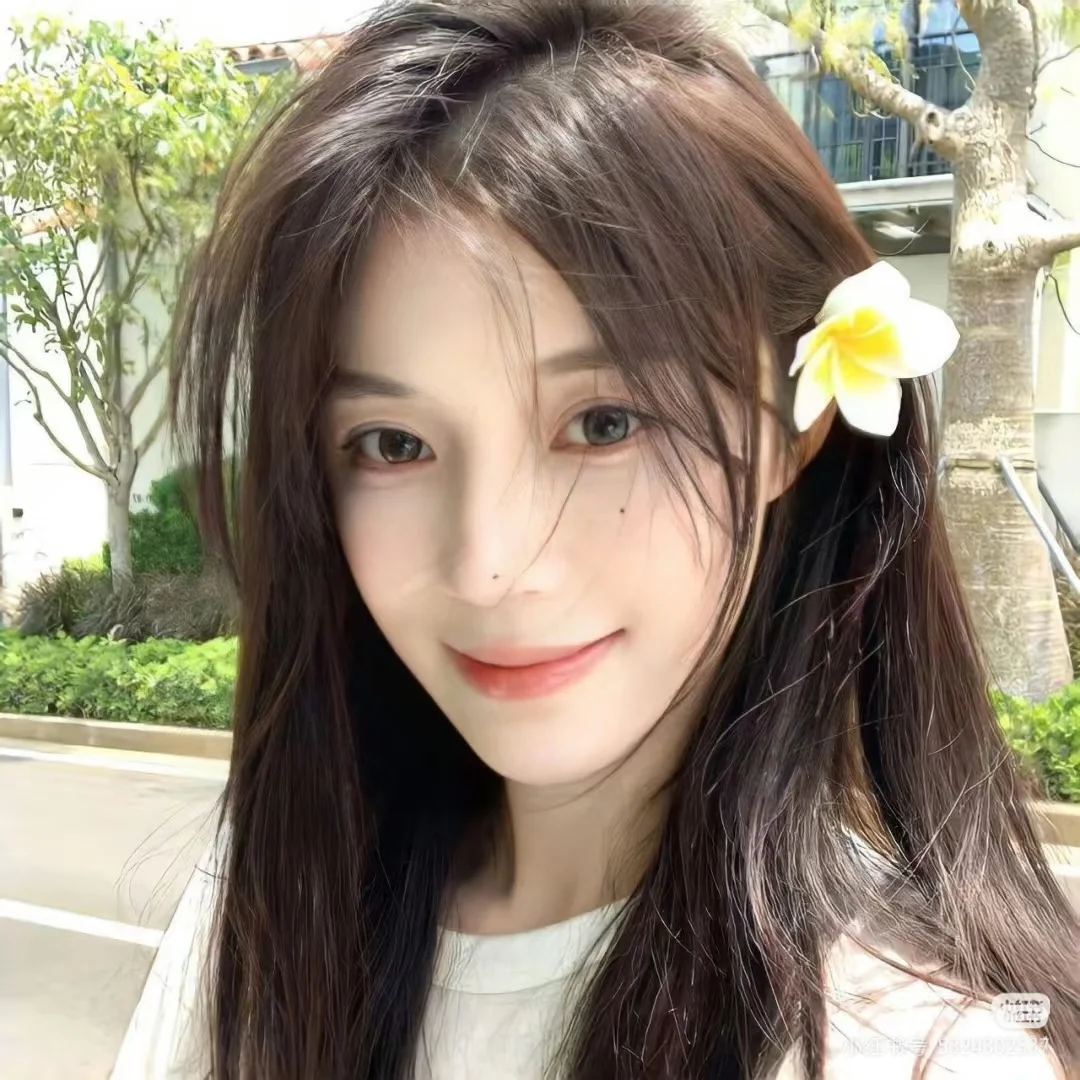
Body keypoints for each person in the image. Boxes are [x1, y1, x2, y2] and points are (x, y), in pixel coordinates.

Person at [114, 1, 1079, 1077]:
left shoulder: (908, 1048)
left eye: (606, 423)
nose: (490, 564)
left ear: (792, 430)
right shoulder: (272, 910)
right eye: (392, 444)